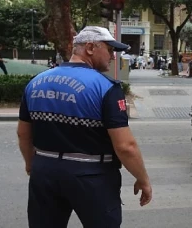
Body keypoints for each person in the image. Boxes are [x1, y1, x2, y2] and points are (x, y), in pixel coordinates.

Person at [17, 26, 152, 228]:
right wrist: (143, 179)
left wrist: (31, 164)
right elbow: (126, 146)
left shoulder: (36, 83)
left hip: (44, 172)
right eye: (109, 50)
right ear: (90, 47)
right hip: (92, 176)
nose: (113, 57)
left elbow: (23, 134)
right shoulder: (106, 88)